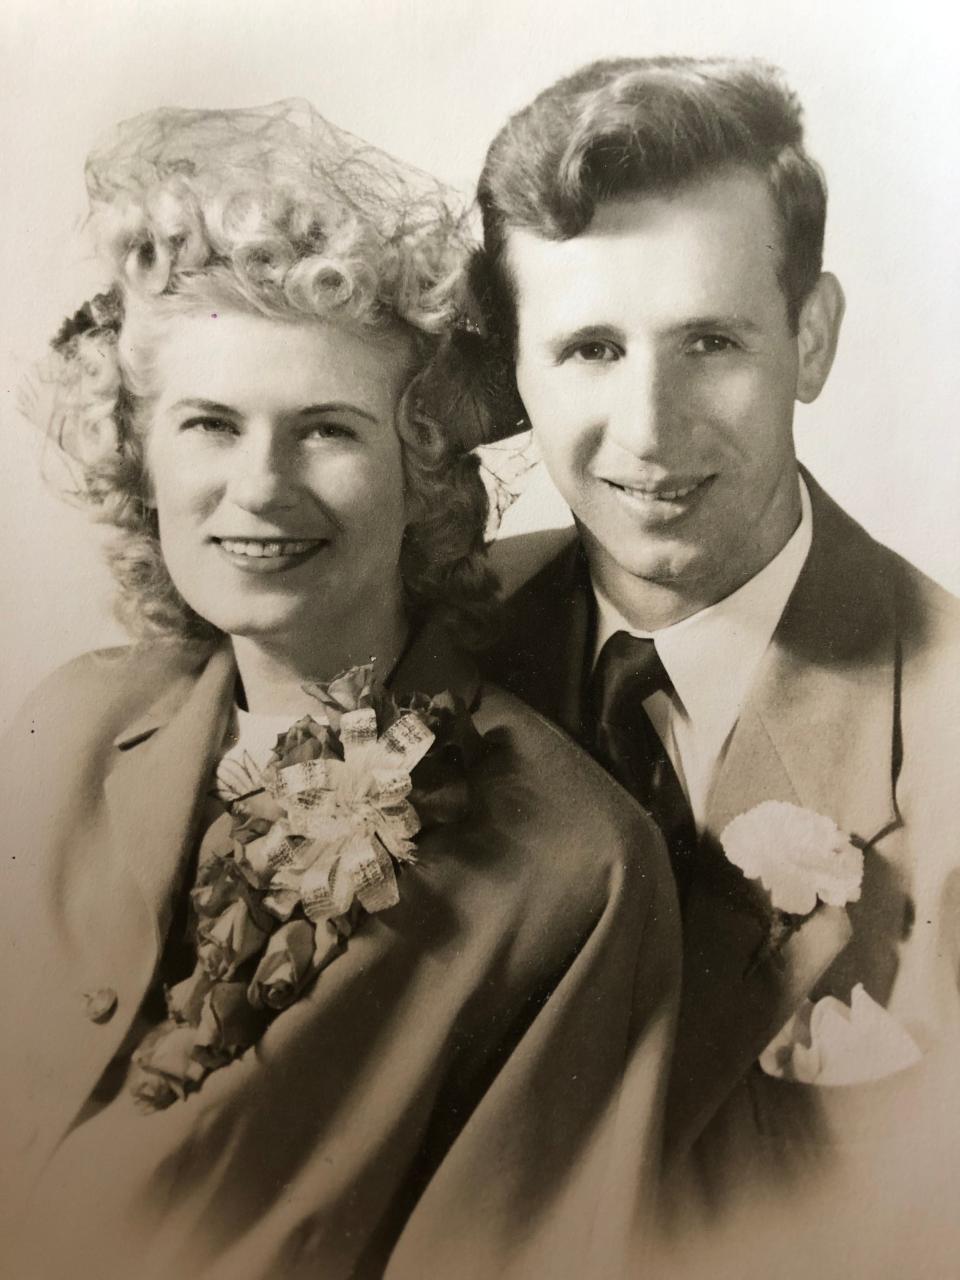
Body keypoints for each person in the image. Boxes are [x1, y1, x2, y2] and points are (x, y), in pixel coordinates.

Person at [0, 100, 681, 1280]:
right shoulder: (66, 724)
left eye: (326, 431)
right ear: (140, 447)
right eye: (208, 423)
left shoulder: (578, 866)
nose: (257, 488)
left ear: (422, 472)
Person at [473, 56, 960, 1232]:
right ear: (514, 366)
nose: (649, 431)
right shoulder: (426, 641)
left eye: (710, 344)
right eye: (591, 348)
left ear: (813, 335)